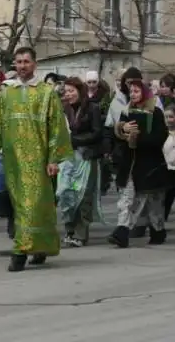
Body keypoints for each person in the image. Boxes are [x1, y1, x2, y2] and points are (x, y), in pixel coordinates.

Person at [0, 47, 73, 272]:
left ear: (35, 64)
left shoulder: (46, 92)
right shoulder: (6, 92)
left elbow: (56, 128)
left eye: (26, 61)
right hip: (13, 161)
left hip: (38, 161)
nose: (22, 66)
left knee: (34, 206)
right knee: (21, 206)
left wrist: (54, 158)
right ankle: (38, 247)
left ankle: (20, 252)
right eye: (19, 62)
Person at [107, 80, 170, 248]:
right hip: (129, 164)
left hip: (150, 164)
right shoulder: (126, 112)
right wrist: (123, 130)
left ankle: (158, 230)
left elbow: (159, 137)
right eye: (131, 91)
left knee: (152, 201)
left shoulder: (154, 113)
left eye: (136, 91)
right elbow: (117, 136)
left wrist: (137, 138)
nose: (133, 94)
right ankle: (122, 231)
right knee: (127, 199)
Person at [57, 77, 103, 248]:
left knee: (82, 195)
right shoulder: (64, 110)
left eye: (72, 91)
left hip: (86, 156)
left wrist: (75, 140)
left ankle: (80, 234)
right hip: (67, 158)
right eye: (66, 91)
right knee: (65, 193)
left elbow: (97, 133)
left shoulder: (92, 107)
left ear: (80, 91)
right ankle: (69, 230)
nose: (69, 94)